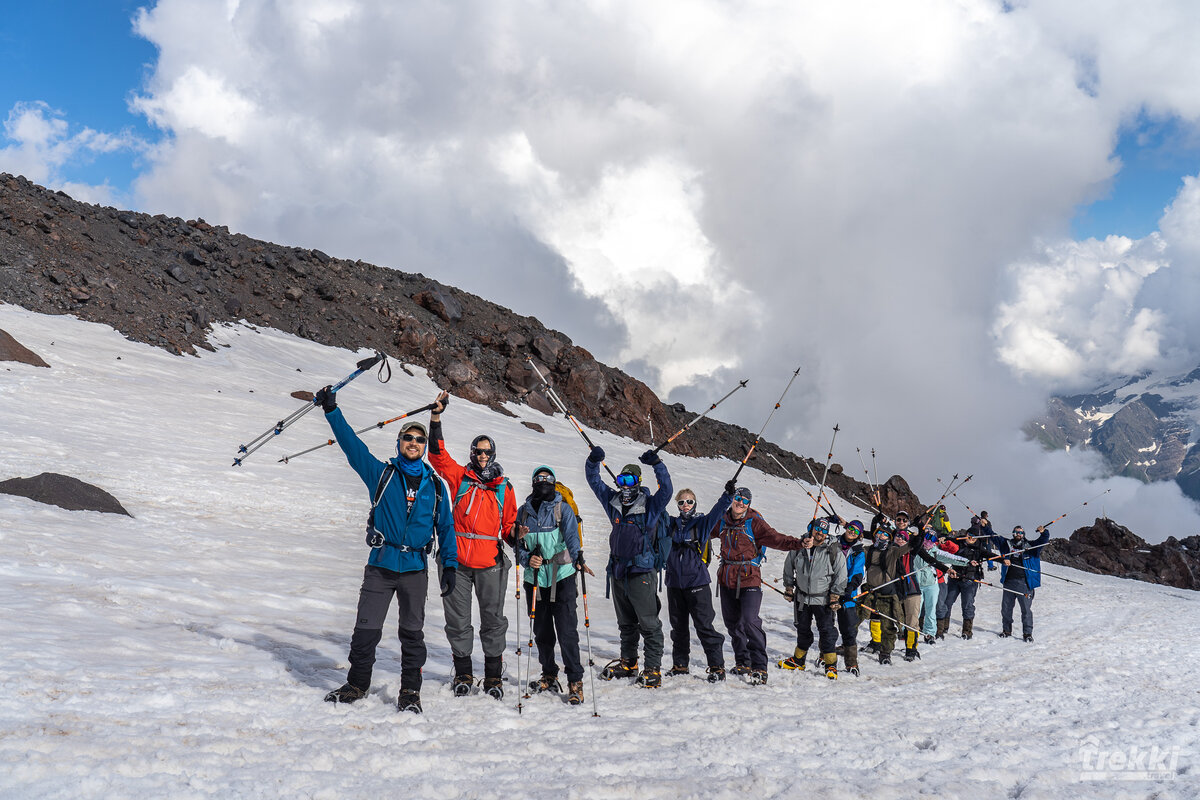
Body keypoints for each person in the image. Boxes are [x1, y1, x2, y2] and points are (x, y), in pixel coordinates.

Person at [315, 386, 455, 714]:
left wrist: (449, 565)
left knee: (412, 634)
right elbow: (352, 447)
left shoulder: (435, 487)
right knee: (366, 630)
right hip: (381, 564)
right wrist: (332, 410)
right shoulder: (381, 475)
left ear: (423, 447)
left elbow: (446, 529)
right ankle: (357, 684)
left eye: (420, 440)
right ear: (400, 442)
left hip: (415, 570)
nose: (414, 444)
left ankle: (410, 693)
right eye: (409, 438)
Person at [427, 391, 518, 699]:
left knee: (493, 620)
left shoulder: (504, 487)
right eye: (478, 451)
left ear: (493, 454)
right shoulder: (460, 478)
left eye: (487, 451)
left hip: (490, 564)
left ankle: (493, 675)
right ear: (472, 452)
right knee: (458, 621)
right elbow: (437, 456)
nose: (482, 455)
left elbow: (508, 527)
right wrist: (436, 418)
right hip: (456, 563)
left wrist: (515, 535)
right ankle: (464, 672)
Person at [585, 446, 673, 688]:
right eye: (621, 480)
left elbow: (667, 490)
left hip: (642, 572)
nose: (625, 485)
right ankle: (629, 663)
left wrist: (657, 463)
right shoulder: (613, 502)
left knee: (648, 623)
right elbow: (594, 481)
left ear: (638, 481)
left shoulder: (651, 506)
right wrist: (593, 461)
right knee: (625, 623)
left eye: (630, 480)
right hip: (617, 571)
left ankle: (653, 669)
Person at [710, 487, 808, 685]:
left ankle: (760, 667)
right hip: (727, 577)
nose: (741, 503)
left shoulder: (754, 522)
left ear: (749, 504)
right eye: (738, 498)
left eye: (745, 501)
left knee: (749, 621)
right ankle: (743, 662)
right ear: (732, 499)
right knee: (733, 624)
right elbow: (702, 531)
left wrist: (799, 543)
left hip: (749, 578)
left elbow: (776, 539)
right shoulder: (721, 521)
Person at [515, 466, 595, 705]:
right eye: (538, 480)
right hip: (535, 579)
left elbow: (572, 537)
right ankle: (549, 674)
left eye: (547, 479)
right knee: (542, 632)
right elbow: (517, 544)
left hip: (562, 576)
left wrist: (578, 557)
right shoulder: (524, 512)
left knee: (567, 631)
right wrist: (526, 559)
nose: (542, 483)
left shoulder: (563, 509)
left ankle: (575, 679)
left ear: (554, 482)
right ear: (532, 484)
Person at [665, 483, 735, 682]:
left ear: (694, 503)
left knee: (704, 626)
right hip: (674, 584)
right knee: (678, 627)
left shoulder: (702, 523)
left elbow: (718, 511)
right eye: (682, 502)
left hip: (697, 583)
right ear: (677, 505)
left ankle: (716, 667)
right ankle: (680, 665)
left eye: (689, 501)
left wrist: (727, 495)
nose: (685, 505)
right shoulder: (671, 524)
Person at [780, 517, 847, 679]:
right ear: (812, 528)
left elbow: (841, 574)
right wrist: (789, 587)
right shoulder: (800, 546)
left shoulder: (832, 550)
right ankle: (798, 660)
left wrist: (835, 595)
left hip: (823, 599)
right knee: (802, 629)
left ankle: (831, 665)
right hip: (802, 598)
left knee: (826, 631)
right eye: (818, 529)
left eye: (824, 531)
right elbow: (789, 567)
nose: (820, 533)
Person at [938, 519, 997, 640]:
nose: (971, 538)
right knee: (947, 602)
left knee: (967, 605)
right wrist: (943, 538)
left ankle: (967, 631)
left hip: (970, 580)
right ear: (966, 535)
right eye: (969, 535)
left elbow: (990, 555)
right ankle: (943, 627)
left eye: (974, 536)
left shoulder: (979, 549)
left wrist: (1003, 559)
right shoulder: (958, 543)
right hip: (955, 578)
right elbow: (948, 540)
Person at [992, 524, 1050, 642]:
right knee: (1006, 608)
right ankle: (1006, 630)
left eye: (1021, 533)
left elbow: (1043, 540)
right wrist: (985, 526)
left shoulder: (1031, 547)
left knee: (1026, 610)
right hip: (1009, 581)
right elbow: (994, 537)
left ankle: (1027, 634)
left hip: (1024, 583)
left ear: (1024, 535)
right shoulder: (1006, 544)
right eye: (1016, 532)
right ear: (1013, 533)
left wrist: (1044, 532)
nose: (1019, 534)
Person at [835, 519, 867, 676]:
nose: (852, 532)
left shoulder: (858, 552)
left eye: (856, 531)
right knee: (826, 625)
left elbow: (858, 572)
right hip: (829, 590)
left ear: (859, 535)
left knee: (848, 627)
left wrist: (849, 589)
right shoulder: (833, 544)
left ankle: (851, 662)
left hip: (848, 593)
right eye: (850, 528)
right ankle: (825, 656)